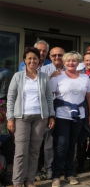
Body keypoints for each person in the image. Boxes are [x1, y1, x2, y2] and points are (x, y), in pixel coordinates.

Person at [6, 47, 55, 187]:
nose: (32, 60)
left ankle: (29, 180)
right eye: (29, 58)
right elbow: (11, 98)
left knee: (34, 151)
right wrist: (10, 118)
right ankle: (18, 181)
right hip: (22, 117)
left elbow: (48, 98)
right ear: (24, 60)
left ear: (39, 60)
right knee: (21, 151)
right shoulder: (18, 76)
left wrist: (51, 116)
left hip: (40, 118)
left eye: (35, 58)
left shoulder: (43, 77)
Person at [50, 51, 90, 187]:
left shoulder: (85, 78)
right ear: (64, 62)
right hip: (62, 115)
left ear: (78, 62)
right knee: (62, 145)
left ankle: (69, 173)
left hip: (79, 116)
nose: (71, 63)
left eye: (74, 61)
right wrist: (50, 116)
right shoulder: (57, 77)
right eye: (68, 61)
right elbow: (50, 96)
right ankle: (56, 175)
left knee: (72, 145)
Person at [39, 47, 66, 179]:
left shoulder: (70, 70)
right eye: (54, 55)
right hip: (49, 109)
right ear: (50, 57)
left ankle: (62, 167)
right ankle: (49, 168)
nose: (57, 57)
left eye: (60, 55)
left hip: (65, 110)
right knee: (49, 141)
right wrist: (49, 78)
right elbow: (39, 90)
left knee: (63, 141)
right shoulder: (43, 70)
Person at [75, 53, 90, 173]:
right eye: (87, 60)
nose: (89, 62)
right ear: (83, 62)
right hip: (81, 108)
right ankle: (80, 163)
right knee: (81, 138)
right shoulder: (78, 73)